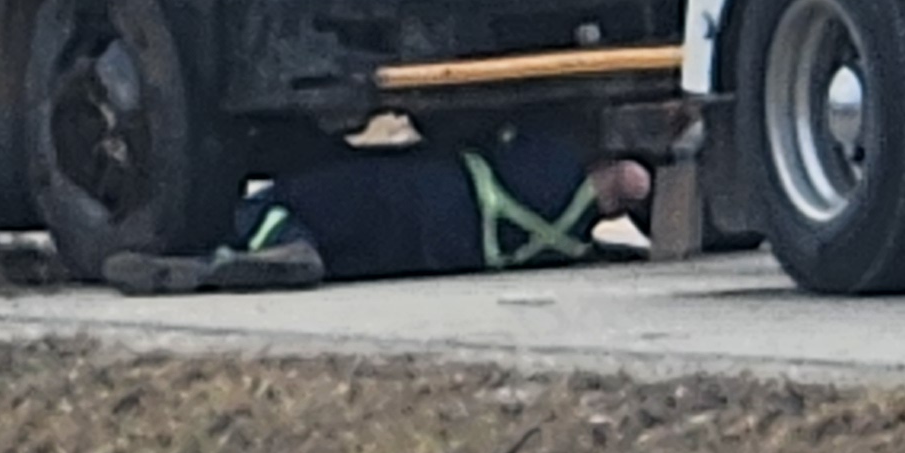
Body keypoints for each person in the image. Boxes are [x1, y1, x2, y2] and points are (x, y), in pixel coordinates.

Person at [102, 125, 654, 294]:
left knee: (275, 208)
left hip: (419, 230)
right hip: (437, 216)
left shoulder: (553, 173)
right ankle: (256, 254)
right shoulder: (566, 211)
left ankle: (250, 253)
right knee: (303, 213)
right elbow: (631, 179)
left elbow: (629, 178)